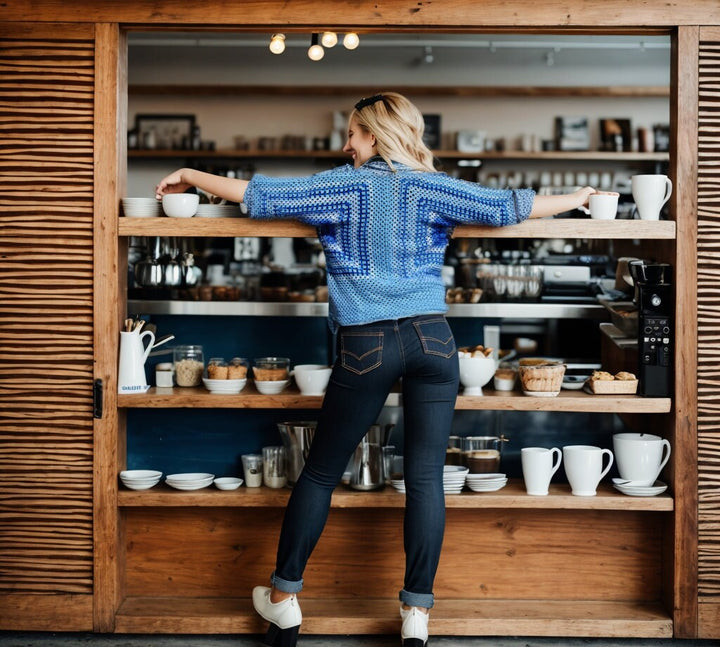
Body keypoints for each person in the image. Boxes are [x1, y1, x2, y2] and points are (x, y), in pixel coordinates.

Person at [155, 91, 595, 647]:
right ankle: (416, 614)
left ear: (374, 134)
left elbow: (256, 195)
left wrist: (192, 174)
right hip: (435, 340)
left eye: (353, 134)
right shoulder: (434, 185)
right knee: (426, 479)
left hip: (367, 344)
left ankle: (284, 599)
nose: (346, 145)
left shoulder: (343, 184)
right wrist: (578, 197)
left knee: (318, 473)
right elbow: (511, 206)